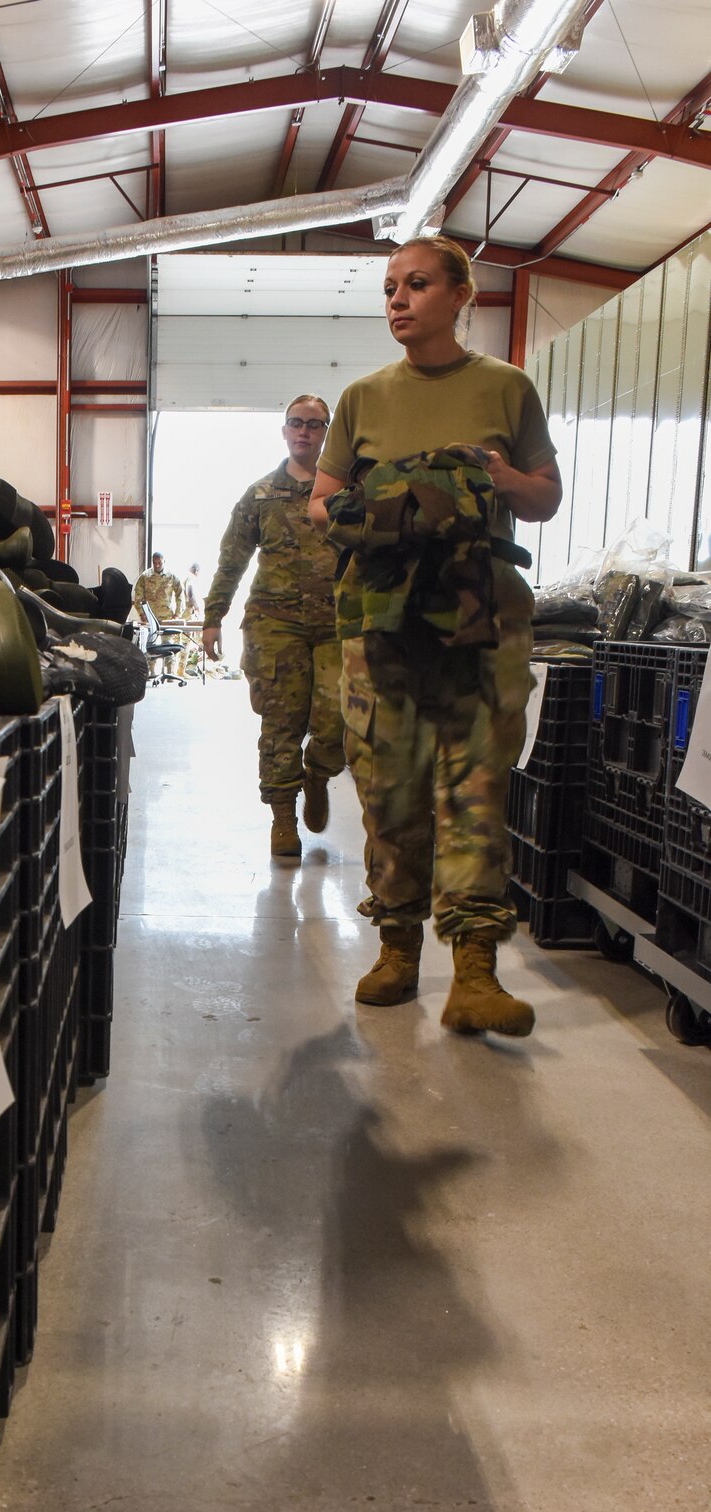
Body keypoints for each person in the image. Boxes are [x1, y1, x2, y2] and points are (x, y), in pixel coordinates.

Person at [308, 235, 562, 1038]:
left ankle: (476, 972)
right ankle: (394, 949)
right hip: (381, 620)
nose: (397, 299)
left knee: (476, 787)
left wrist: (494, 474)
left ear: (460, 296)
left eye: (416, 285)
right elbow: (320, 503)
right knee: (388, 785)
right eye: (389, 287)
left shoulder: (507, 388)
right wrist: (386, 508)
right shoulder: (360, 398)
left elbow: (543, 498)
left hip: (481, 616)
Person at [202, 395, 344, 859]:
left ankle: (318, 773)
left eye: (315, 425)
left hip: (336, 625)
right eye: (296, 423)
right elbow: (231, 559)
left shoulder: (345, 495)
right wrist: (213, 617)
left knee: (336, 720)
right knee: (280, 725)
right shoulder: (261, 494)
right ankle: (283, 816)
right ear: (285, 430)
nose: (304, 432)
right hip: (274, 624)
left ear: (327, 432)